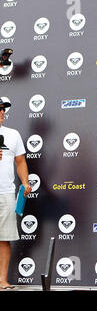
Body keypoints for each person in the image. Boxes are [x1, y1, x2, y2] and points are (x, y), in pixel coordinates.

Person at [0, 98, 32, 290]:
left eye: (3, 110)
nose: (2, 113)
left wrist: (26, 182)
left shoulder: (13, 135)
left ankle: (2, 280)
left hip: (6, 193)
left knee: (3, 238)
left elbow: (20, 162)